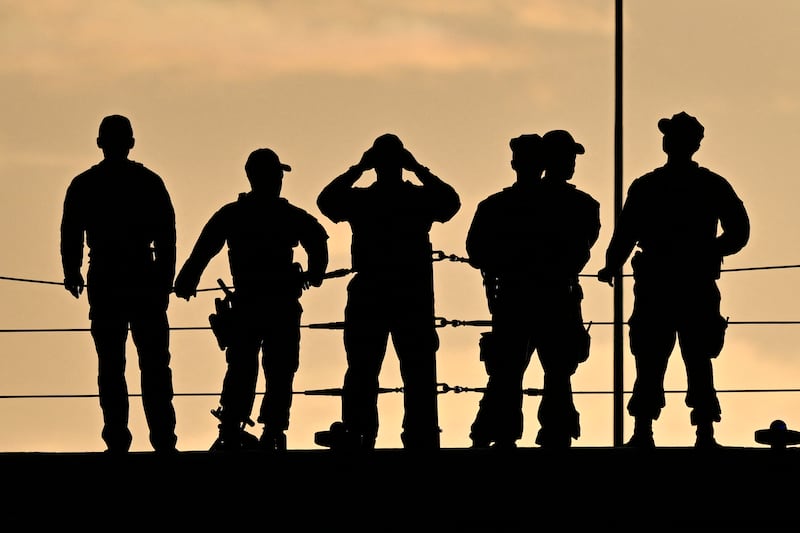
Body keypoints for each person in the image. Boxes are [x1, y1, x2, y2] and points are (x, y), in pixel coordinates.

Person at [597, 111, 750, 449]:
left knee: (664, 357)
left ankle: (649, 431)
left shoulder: (649, 185)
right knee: (683, 357)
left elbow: (626, 233)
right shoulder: (710, 184)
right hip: (686, 282)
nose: (668, 141)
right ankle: (696, 431)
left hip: (664, 283)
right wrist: (709, 250)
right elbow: (739, 231)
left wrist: (612, 265)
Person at [173, 148, 329, 452]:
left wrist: (187, 280)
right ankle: (271, 429)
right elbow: (317, 239)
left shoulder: (234, 214)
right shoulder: (286, 215)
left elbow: (205, 248)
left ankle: (234, 426)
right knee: (278, 368)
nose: (280, 180)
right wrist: (315, 274)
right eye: (278, 174)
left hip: (248, 305)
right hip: (279, 306)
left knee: (245, 366)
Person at [315, 133, 460, 451]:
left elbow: (327, 201)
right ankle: (419, 435)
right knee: (416, 368)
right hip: (412, 294)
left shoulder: (362, 200)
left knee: (363, 368)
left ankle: (360, 433)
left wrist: (358, 168)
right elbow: (451, 203)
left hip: (370, 292)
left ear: (374, 164)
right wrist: (418, 168)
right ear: (402, 163)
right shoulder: (417, 199)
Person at [466, 131, 600, 449]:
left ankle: (500, 431)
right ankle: (554, 431)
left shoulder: (499, 205)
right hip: (555, 295)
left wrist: (508, 264)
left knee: (509, 370)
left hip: (515, 295)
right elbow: (583, 248)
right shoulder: (577, 204)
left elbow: (476, 251)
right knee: (554, 370)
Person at [60, 114, 178, 453]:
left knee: (112, 364)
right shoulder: (148, 182)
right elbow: (166, 237)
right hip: (142, 278)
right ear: (132, 143)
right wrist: (164, 281)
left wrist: (72, 271)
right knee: (153, 364)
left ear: (100, 143)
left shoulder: (84, 184)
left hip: (106, 277)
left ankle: (117, 439)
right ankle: (163, 440)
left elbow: (71, 233)